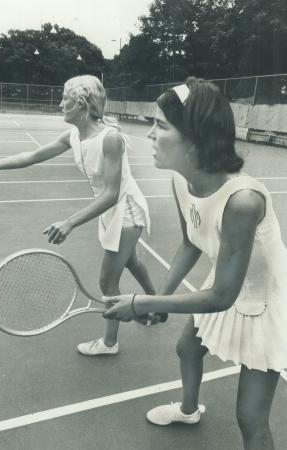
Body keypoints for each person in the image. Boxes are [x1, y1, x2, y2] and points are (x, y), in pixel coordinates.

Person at [104, 77, 287, 450]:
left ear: (195, 138)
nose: (150, 135)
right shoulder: (180, 181)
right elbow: (190, 242)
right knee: (188, 348)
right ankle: (189, 410)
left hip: (265, 302)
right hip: (227, 285)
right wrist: (161, 295)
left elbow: (220, 295)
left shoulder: (243, 201)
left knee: (251, 419)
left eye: (161, 125)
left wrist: (144, 303)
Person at [0, 74, 163, 356]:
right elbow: (33, 156)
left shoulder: (110, 139)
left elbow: (112, 193)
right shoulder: (73, 134)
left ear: (82, 105)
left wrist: (69, 222)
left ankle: (110, 343)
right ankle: (155, 306)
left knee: (107, 282)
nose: (60, 104)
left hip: (125, 210)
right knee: (132, 261)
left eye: (66, 99)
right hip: (109, 209)